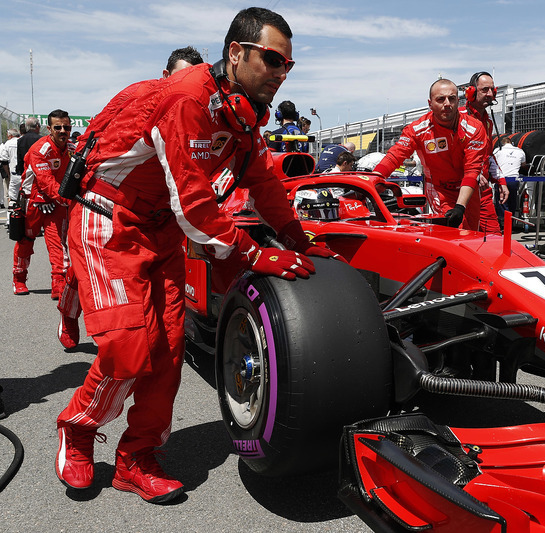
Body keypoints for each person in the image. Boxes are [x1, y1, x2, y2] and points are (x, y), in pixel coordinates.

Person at [54, 7, 339, 503]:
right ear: (237, 52)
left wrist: (299, 239)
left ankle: (136, 459)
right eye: (272, 59)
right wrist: (254, 255)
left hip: (162, 230)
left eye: (288, 65)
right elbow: (194, 202)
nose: (280, 72)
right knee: (127, 348)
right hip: (108, 217)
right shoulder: (187, 99)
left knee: (166, 350)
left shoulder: (245, 114)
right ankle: (77, 432)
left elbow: (262, 183)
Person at [57, 44, 207, 350]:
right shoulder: (138, 94)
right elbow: (93, 136)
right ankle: (69, 314)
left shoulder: (198, 113)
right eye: (181, 77)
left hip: (159, 213)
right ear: (166, 75)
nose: (186, 89)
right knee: (79, 273)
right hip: (106, 203)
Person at [373, 78, 488, 230]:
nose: (447, 104)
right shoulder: (417, 130)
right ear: (430, 104)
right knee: (451, 232)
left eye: (452, 98)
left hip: (468, 189)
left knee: (472, 234)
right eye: (440, 99)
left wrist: (460, 207)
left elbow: (472, 171)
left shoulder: (475, 128)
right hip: (440, 189)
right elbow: (395, 156)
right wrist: (373, 179)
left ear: (458, 101)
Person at [12, 110, 74, 297]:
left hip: (57, 201)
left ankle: (59, 283)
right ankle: (19, 279)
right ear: (49, 129)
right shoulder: (40, 149)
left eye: (67, 127)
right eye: (58, 127)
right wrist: (66, 199)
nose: (63, 130)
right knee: (26, 240)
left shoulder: (72, 148)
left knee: (58, 243)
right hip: (33, 201)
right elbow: (45, 180)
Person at [460, 71, 508, 234]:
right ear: (471, 91)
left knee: (494, 237)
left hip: (483, 191)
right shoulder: (457, 117)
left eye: (492, 90)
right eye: (485, 90)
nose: (490, 94)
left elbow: (488, 154)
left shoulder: (487, 122)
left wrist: (501, 180)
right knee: (462, 238)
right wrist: (473, 173)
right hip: (460, 191)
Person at [493, 136, 528, 221]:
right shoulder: (520, 151)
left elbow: (493, 162)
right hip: (514, 179)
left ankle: (503, 221)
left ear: (502, 143)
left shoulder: (498, 150)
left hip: (502, 178)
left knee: (501, 201)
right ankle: (511, 221)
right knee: (512, 200)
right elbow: (524, 165)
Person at [0, 128, 21, 207]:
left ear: (10, 136)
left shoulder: (6, 144)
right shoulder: (23, 141)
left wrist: (8, 174)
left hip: (13, 173)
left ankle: (11, 215)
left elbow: (4, 160)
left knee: (12, 196)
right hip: (25, 172)